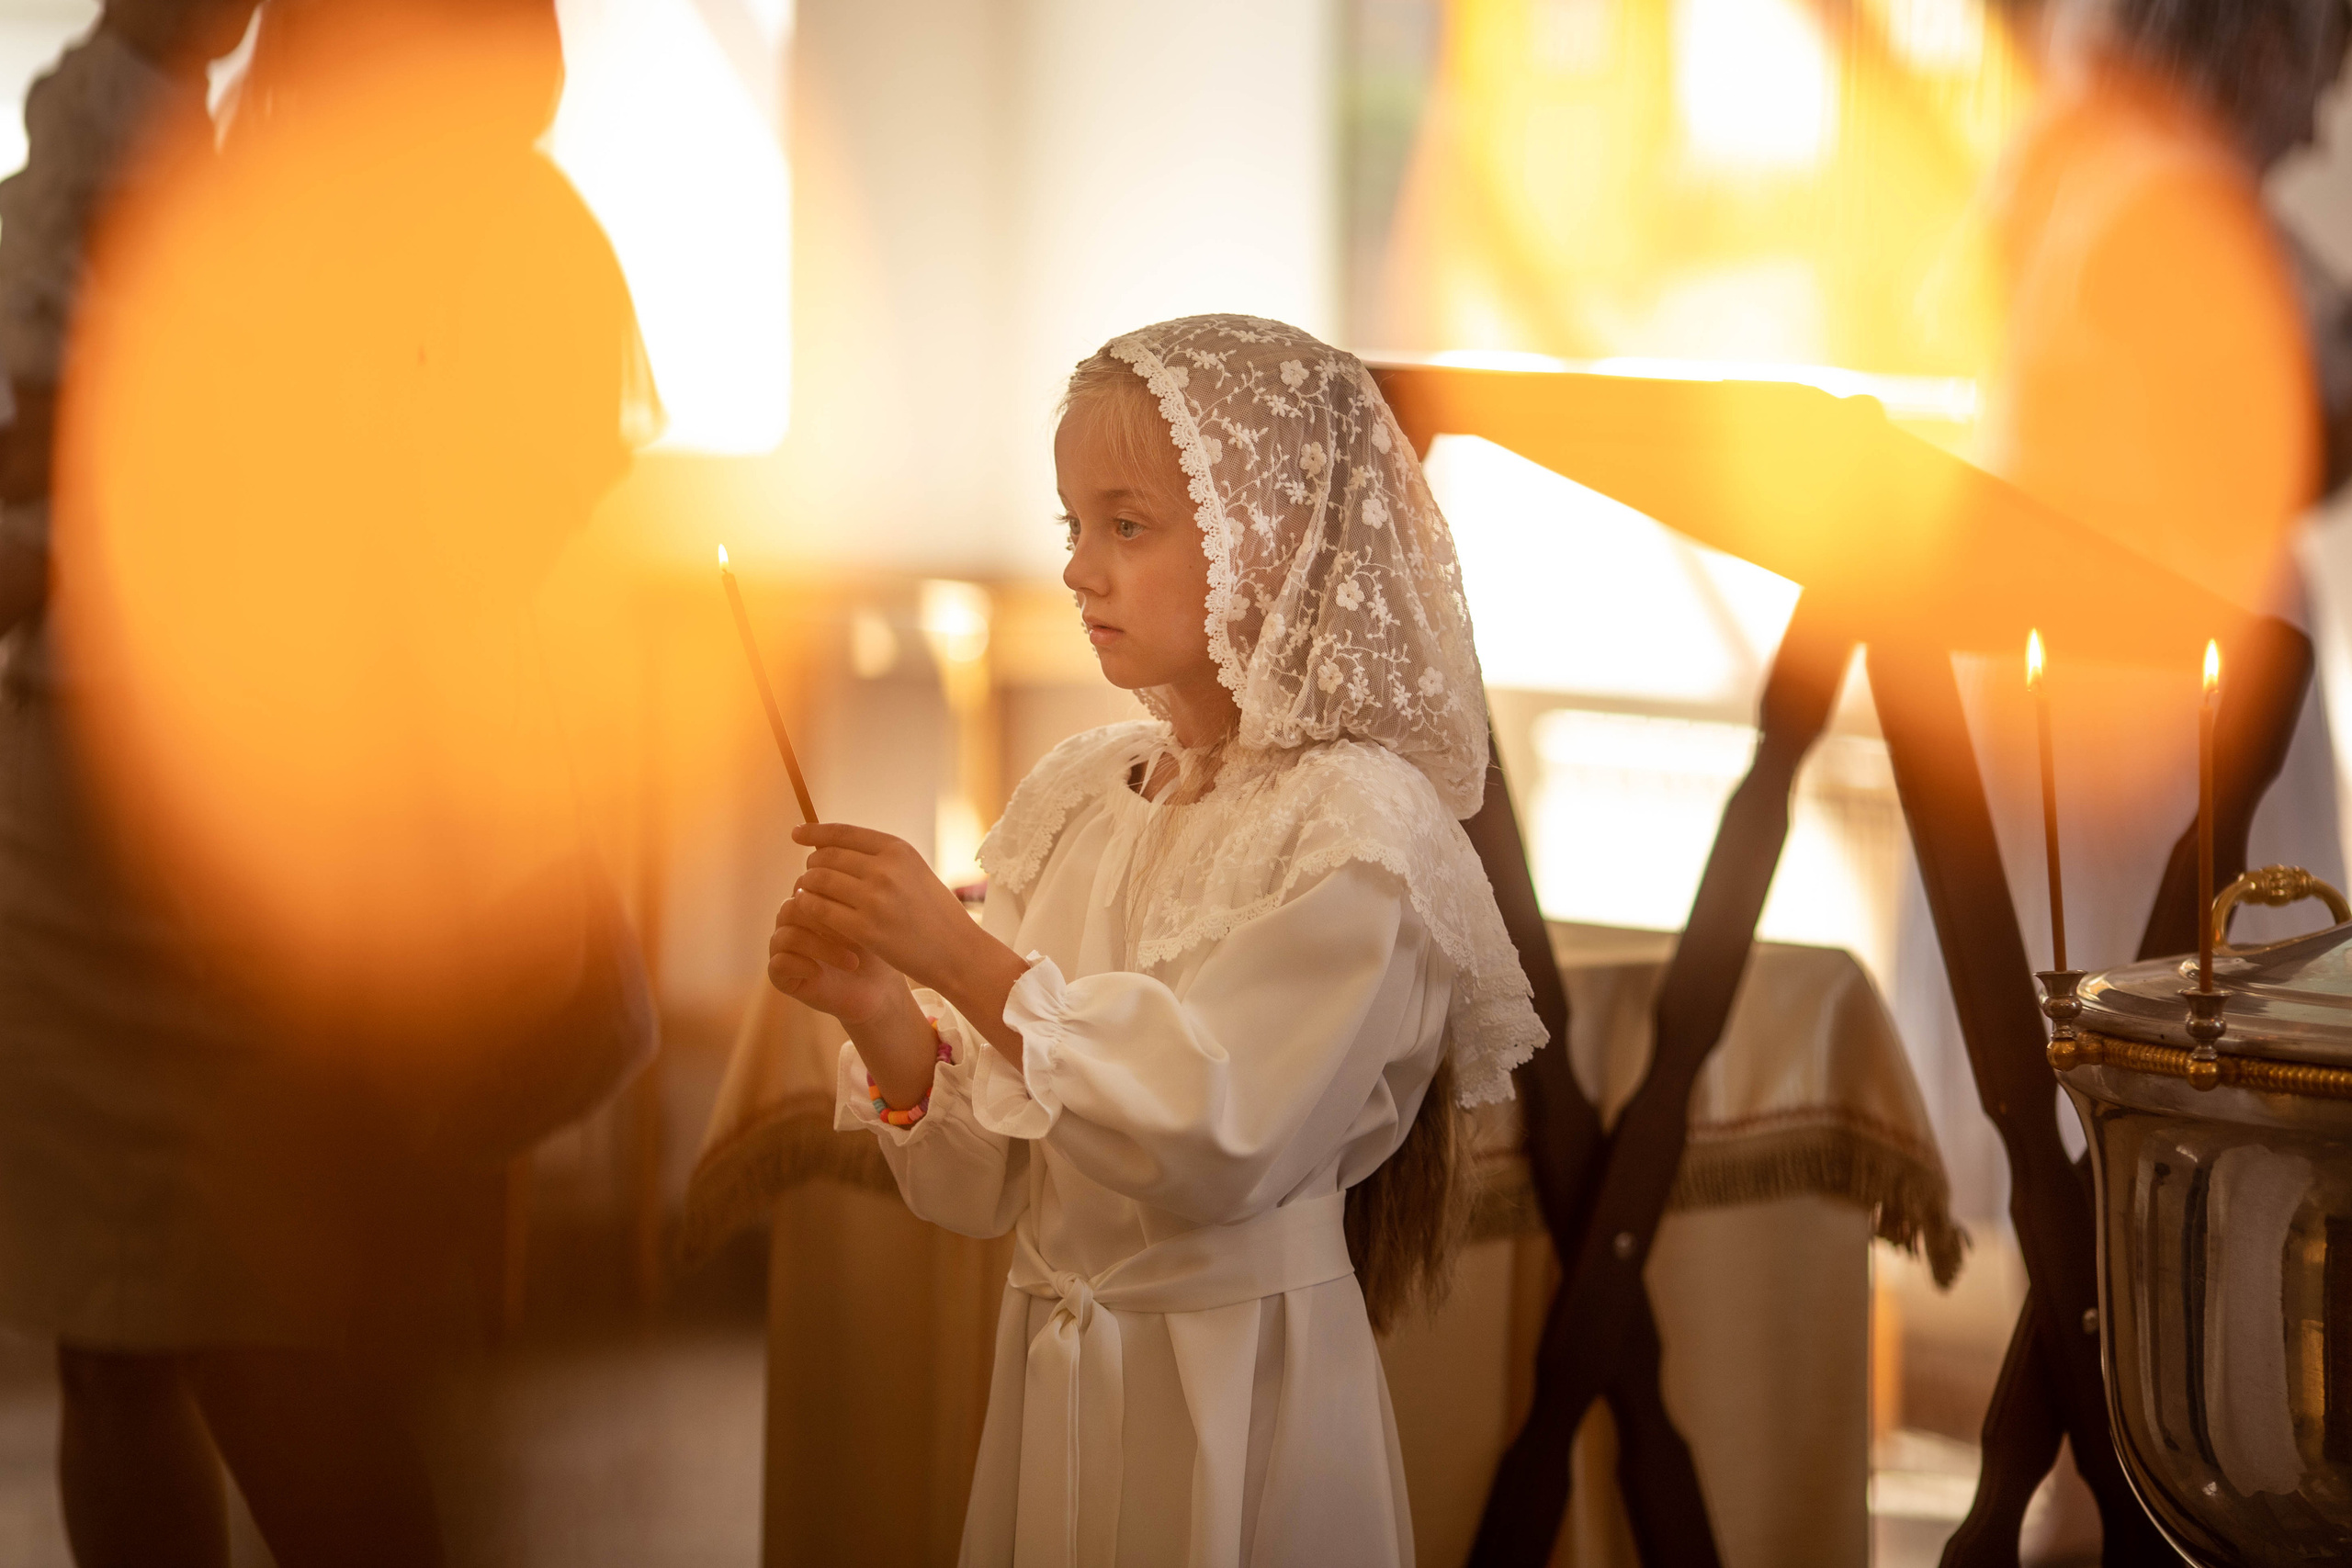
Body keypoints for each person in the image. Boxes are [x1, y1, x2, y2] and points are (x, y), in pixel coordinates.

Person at [0, 2, 656, 1563]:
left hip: (270, 850)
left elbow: (468, 561)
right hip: (72, 838)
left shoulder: (518, 243)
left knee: (273, 1349)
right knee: (112, 1337)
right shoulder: (192, 185)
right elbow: (60, 458)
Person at [767, 314, 1547, 1566]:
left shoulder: (1357, 825)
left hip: (1239, 1392)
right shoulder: (1081, 796)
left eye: (1127, 526)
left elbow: (1221, 1132)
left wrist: (960, 960)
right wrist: (881, 1011)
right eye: (1073, 524)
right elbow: (986, 1184)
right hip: (1060, 1373)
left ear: (1270, 545)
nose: (1082, 569)